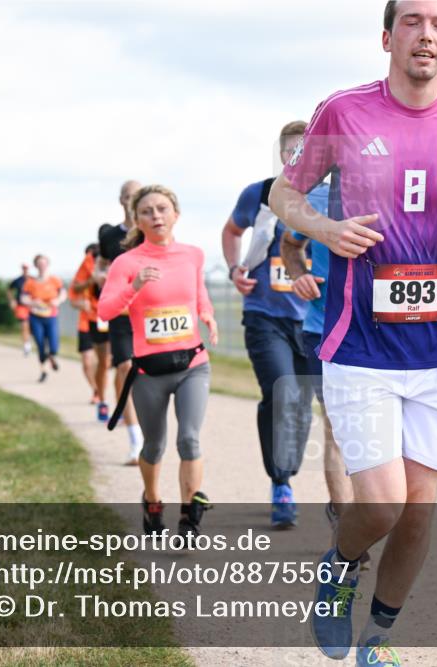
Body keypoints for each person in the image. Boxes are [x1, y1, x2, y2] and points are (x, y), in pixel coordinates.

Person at [269, 2, 437, 663]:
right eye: (412, 21)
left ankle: (379, 637)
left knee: (420, 511)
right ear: (387, 36)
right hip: (362, 343)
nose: (426, 34)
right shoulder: (344, 113)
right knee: (379, 504)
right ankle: (339, 568)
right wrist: (321, 229)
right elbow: (283, 195)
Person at [99, 185, 219, 541]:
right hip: (150, 371)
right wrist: (133, 286)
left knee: (190, 440)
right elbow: (105, 310)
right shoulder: (127, 263)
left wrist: (208, 316)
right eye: (148, 211)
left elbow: (199, 296)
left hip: (193, 363)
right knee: (153, 446)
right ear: (137, 220)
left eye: (163, 209)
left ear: (175, 214)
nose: (156, 216)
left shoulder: (193, 255)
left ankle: (189, 517)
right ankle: (152, 501)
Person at [221, 121, 316, 528]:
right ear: (281, 154)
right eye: (291, 151)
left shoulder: (331, 197)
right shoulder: (260, 195)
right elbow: (232, 231)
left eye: (305, 151)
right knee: (281, 394)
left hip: (312, 321)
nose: (297, 158)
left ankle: (287, 471)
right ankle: (282, 484)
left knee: (302, 405)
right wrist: (233, 269)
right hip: (265, 315)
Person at [281, 210, 369, 570]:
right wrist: (299, 273)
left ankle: (365, 514)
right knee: (337, 431)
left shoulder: (394, 185)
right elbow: (289, 244)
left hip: (380, 332)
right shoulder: (315, 198)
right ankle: (346, 528)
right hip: (324, 330)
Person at [99, 180, 145, 464]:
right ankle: (135, 439)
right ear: (121, 201)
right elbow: (101, 266)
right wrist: (101, 277)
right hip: (121, 312)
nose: (132, 201)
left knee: (150, 375)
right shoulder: (108, 235)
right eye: (127, 197)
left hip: (151, 313)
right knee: (125, 366)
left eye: (136, 196)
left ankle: (150, 430)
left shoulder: (151, 232)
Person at [71, 243, 112, 420]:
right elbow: (74, 292)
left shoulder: (119, 258)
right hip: (91, 320)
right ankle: (99, 394)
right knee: (95, 362)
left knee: (114, 363)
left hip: (112, 316)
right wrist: (92, 279)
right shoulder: (88, 264)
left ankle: (123, 407)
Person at [21, 254, 66, 382]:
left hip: (51, 316)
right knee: (40, 344)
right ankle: (43, 371)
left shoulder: (55, 280)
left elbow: (63, 293)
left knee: (53, 344)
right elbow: (23, 298)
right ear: (36, 265)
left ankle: (52, 357)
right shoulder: (30, 282)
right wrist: (32, 302)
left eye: (44, 263)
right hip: (36, 317)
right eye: (39, 263)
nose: (42, 266)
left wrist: (57, 301)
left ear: (47, 265)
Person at [8, 263, 33, 356]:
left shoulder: (33, 279)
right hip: (21, 306)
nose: (25, 270)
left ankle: (28, 340)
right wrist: (12, 300)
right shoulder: (18, 280)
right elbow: (9, 289)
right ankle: (26, 346)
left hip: (32, 306)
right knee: (24, 325)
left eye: (27, 268)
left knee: (31, 327)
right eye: (24, 268)